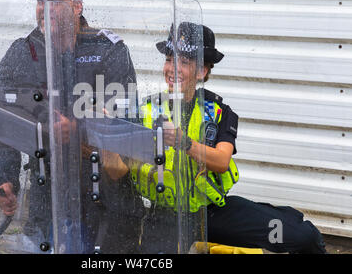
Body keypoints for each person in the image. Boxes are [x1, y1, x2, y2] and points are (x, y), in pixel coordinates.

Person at [103, 22, 327, 254]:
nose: (173, 68)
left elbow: (221, 162)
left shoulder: (218, 112)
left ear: (202, 71)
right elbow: (115, 171)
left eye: (185, 62)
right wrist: (106, 135)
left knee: (301, 236)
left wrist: (184, 143)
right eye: (170, 59)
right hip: (164, 218)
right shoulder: (145, 111)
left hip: (210, 214)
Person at [0, 0, 137, 253]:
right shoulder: (22, 52)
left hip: (100, 192)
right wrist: (4, 179)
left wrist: (77, 131)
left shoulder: (107, 49)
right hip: (47, 192)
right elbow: (3, 126)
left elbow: (124, 122)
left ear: (77, 7)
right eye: (40, 2)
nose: (45, 9)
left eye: (54, 1)